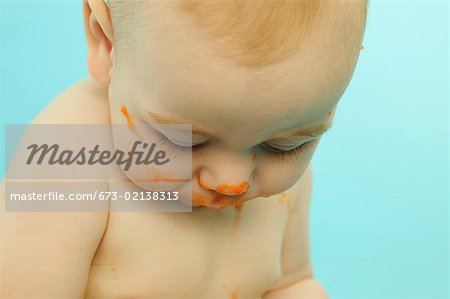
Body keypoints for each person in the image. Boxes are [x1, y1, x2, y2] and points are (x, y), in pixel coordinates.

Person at [0, 0, 368, 298]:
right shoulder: (64, 151)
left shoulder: (278, 171)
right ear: (106, 42)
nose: (233, 182)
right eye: (185, 141)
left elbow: (290, 283)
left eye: (283, 146)